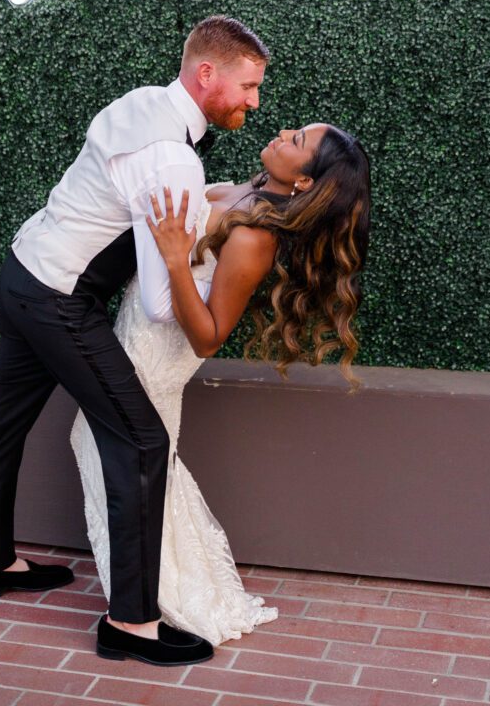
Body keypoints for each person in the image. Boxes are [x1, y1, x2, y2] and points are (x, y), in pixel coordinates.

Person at [0, 14, 269, 667]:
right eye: (247, 86)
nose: (253, 101)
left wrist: (207, 206)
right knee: (142, 440)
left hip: (23, 270)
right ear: (206, 73)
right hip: (58, 299)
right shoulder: (171, 159)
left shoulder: (139, 105)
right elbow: (161, 306)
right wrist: (187, 248)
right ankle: (130, 624)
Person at [70, 122, 371, 645]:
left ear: (303, 182)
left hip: (157, 358)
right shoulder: (250, 191)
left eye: (296, 141)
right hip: (133, 335)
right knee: (119, 455)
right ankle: (151, 590)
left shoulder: (256, 237)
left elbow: (209, 337)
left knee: (121, 456)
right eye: (295, 130)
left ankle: (154, 600)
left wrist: (172, 257)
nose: (283, 132)